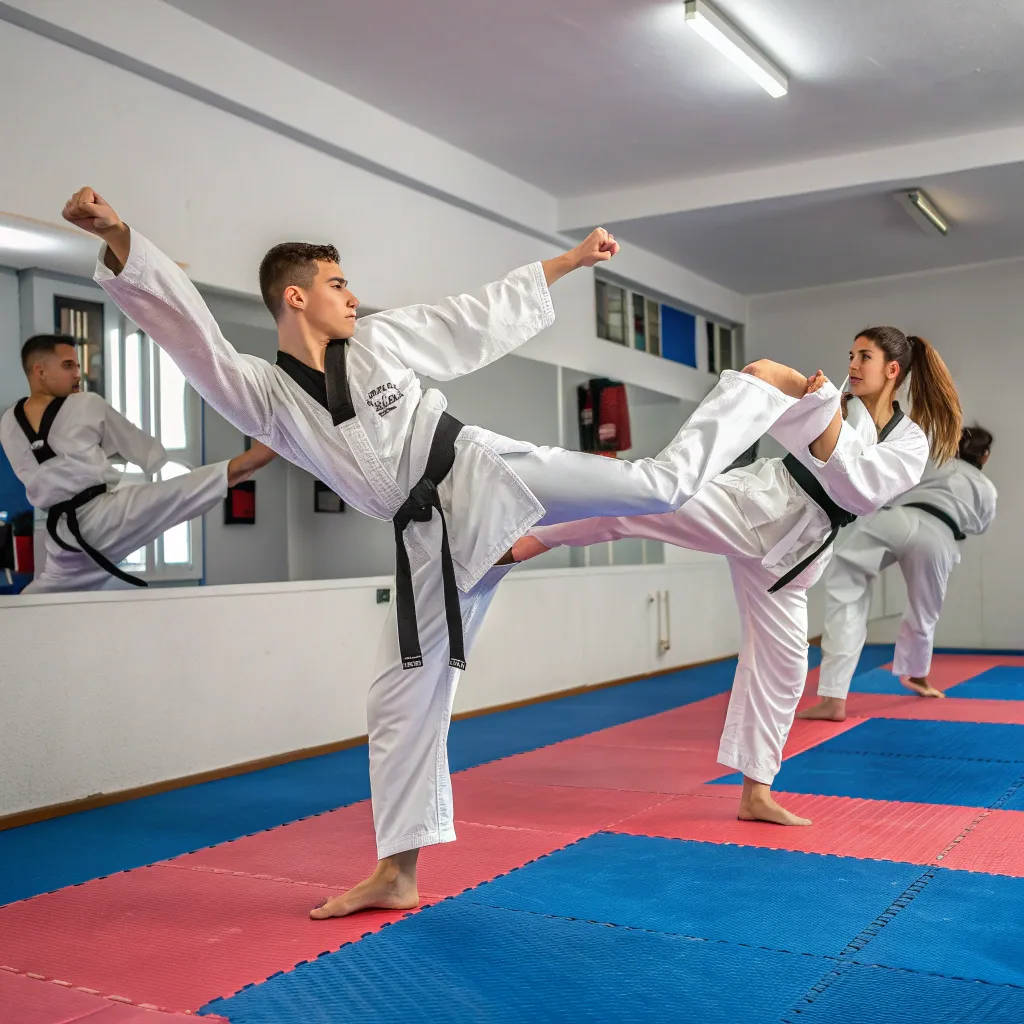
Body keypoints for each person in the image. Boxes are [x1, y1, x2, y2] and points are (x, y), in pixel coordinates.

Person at [65, 185, 818, 919]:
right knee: (401, 694)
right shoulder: (265, 394)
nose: (350, 295)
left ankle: (750, 390)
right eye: (335, 283)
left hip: (481, 471)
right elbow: (193, 337)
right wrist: (124, 239)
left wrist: (566, 264)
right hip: (428, 536)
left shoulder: (379, 343)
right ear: (295, 298)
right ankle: (398, 871)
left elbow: (467, 321)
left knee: (658, 486)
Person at [513, 327, 963, 826]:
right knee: (647, 504)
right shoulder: (836, 401)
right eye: (851, 354)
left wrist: (814, 403)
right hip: (756, 505)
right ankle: (535, 535)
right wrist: (796, 390)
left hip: (796, 554)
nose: (852, 364)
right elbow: (789, 423)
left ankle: (756, 793)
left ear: (893, 371)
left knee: (786, 669)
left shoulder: (908, 439)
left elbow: (861, 492)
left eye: (865, 357)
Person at [0, 334, 275, 593]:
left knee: (40, 596)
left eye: (77, 366)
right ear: (40, 371)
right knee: (179, 492)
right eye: (68, 365)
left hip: (62, 539)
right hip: (106, 516)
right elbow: (141, 449)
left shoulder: (7, 422)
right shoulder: (85, 404)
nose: (77, 374)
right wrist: (153, 458)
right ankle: (256, 455)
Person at [799, 425, 995, 718]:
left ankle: (833, 698)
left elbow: (893, 486)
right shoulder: (985, 487)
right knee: (924, 611)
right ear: (985, 456)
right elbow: (980, 525)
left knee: (846, 585)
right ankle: (917, 675)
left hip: (898, 519)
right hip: (939, 536)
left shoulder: (935, 464)